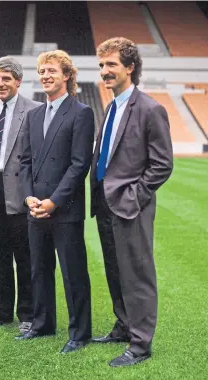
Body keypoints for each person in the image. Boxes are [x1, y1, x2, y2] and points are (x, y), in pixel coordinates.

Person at [90, 37, 173, 367]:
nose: (104, 71)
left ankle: (140, 344)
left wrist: (134, 197)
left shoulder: (151, 109)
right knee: (115, 271)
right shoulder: (111, 107)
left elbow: (162, 164)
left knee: (137, 275)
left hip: (130, 206)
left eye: (111, 64)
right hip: (104, 204)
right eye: (101, 66)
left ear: (130, 67)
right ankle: (124, 326)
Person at [17, 50, 94, 354]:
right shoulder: (34, 115)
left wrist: (53, 202)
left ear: (66, 75)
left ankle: (80, 333)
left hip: (65, 209)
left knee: (73, 271)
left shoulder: (81, 112)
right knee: (39, 269)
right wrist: (29, 197)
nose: (45, 75)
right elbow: (24, 161)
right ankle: (42, 323)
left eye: (51, 70)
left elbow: (79, 165)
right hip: (35, 207)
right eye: (42, 71)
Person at [0, 56, 41, 334]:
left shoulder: (35, 110)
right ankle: (2, 312)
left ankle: (27, 314)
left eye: (6, 78)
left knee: (24, 257)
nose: (0, 83)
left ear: (18, 80)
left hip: (20, 191)